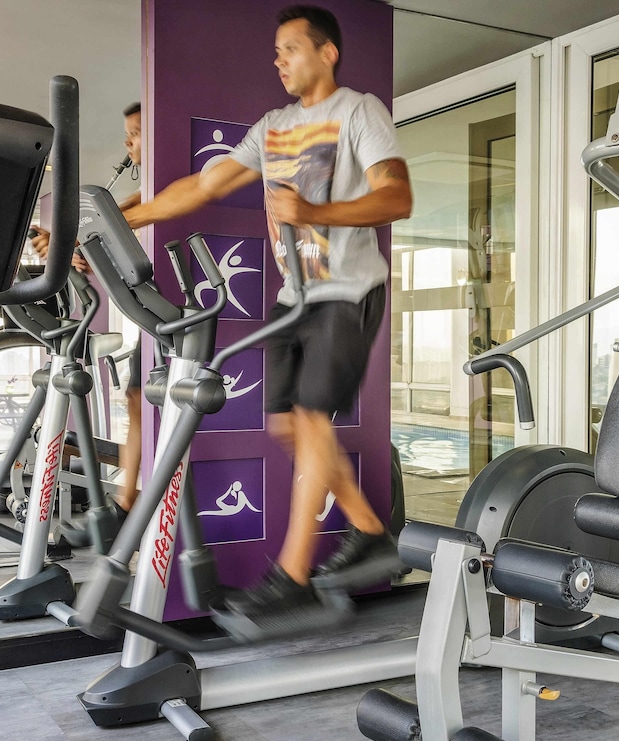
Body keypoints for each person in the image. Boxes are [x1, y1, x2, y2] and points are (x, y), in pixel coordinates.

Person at [123, 4, 412, 624]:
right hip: (293, 299)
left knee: (312, 418)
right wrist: (122, 219)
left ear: (327, 52)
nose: (278, 61)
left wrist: (315, 213)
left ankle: (293, 576)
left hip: (347, 291)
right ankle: (369, 530)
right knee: (286, 425)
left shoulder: (358, 112)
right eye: (276, 52)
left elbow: (396, 196)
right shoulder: (273, 126)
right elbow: (202, 187)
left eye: (290, 49)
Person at [30, 101, 144, 518]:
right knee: (136, 398)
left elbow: (122, 221)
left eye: (137, 133)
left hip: (182, 316)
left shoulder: (165, 186)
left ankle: (130, 497)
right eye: (126, 135)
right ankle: (128, 498)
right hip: (157, 323)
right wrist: (73, 244)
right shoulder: (144, 191)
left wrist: (70, 241)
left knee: (141, 399)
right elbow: (115, 219)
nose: (128, 143)